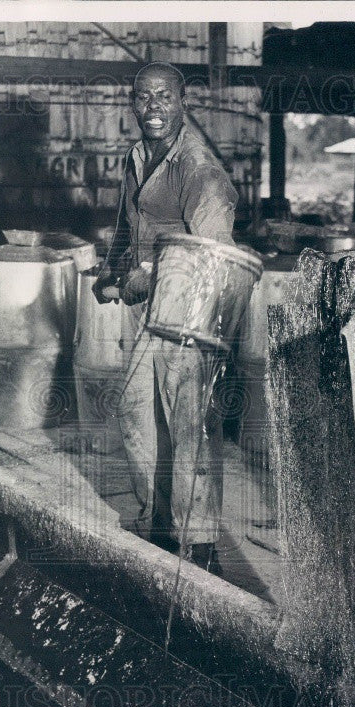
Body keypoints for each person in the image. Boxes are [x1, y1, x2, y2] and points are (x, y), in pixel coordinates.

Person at [91, 62, 238, 572]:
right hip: (144, 309)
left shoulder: (199, 170)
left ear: (183, 102)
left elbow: (213, 256)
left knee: (187, 422)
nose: (152, 106)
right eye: (143, 97)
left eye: (163, 97)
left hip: (187, 314)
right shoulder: (137, 157)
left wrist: (145, 279)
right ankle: (157, 521)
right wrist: (111, 271)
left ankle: (199, 547)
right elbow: (126, 224)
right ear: (133, 103)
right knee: (137, 410)